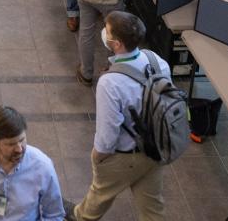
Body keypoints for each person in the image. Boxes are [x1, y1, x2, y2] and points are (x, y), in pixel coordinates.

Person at [72, 12, 171, 221]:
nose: (103, 33)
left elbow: (109, 131)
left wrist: (98, 156)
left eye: (106, 31)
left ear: (116, 44)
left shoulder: (111, 82)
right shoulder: (157, 62)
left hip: (126, 155)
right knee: (152, 208)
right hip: (156, 148)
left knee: (96, 200)